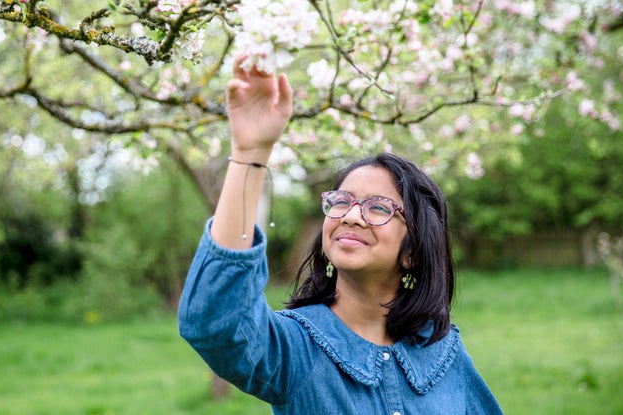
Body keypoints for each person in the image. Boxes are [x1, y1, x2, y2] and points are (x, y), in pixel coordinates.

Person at [178, 57, 503, 414]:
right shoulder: (295, 348)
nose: (350, 215)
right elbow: (215, 323)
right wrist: (250, 154)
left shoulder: (444, 354)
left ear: (414, 251)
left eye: (378, 207)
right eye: (341, 201)